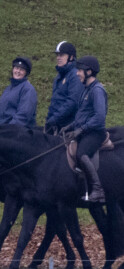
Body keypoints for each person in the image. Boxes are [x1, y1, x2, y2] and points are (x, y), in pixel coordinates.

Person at [60, 56, 107, 203]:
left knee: (81, 154)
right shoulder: (86, 90)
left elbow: (99, 118)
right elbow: (83, 115)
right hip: (85, 131)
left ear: (89, 71)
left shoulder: (97, 91)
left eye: (80, 70)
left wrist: (81, 129)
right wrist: (71, 126)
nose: (77, 73)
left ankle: (98, 190)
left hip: (95, 133)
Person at [45, 41, 84, 135]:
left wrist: (54, 119)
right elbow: (55, 101)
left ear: (71, 57)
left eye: (61, 55)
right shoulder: (59, 76)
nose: (58, 58)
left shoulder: (75, 75)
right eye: (57, 55)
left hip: (69, 126)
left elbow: (72, 102)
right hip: (57, 124)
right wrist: (49, 119)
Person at [0, 56, 37, 127]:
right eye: (16, 68)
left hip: (18, 132)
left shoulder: (28, 89)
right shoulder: (9, 88)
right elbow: (1, 107)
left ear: (26, 73)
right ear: (13, 69)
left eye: (21, 69)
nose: (18, 71)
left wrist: (9, 129)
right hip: (2, 128)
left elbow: (24, 115)